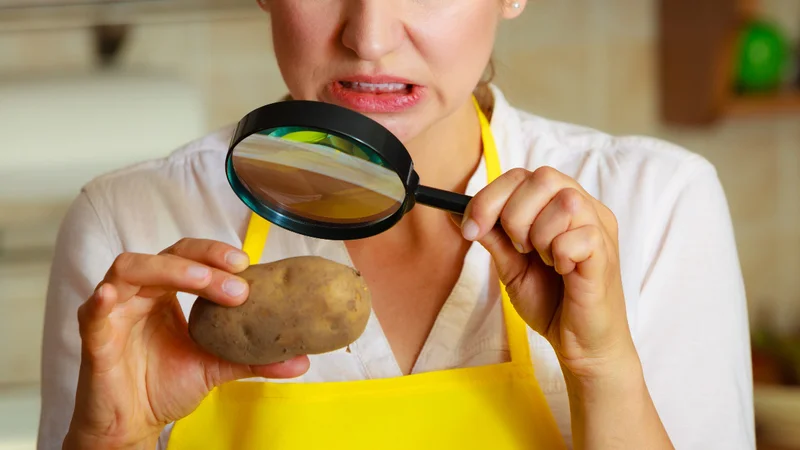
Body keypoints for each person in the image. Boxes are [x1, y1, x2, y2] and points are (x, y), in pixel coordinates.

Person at [37, 0, 755, 449]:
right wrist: (115, 438)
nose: (370, 35)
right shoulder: (130, 223)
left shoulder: (656, 203)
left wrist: (603, 369)